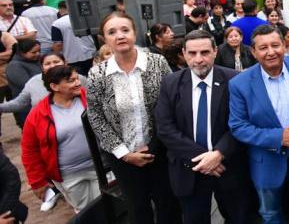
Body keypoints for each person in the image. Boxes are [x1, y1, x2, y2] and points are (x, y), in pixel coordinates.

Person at [85, 12, 181, 224]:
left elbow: (170, 105)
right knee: (138, 210)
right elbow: (96, 117)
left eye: (125, 30)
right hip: (123, 156)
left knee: (169, 206)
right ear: (105, 38)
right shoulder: (97, 74)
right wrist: (124, 153)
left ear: (135, 33)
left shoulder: (157, 62)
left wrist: (154, 146)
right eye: (112, 32)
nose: (120, 36)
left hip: (160, 151)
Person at [154, 30, 252, 224]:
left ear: (215, 51)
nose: (198, 59)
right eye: (192, 53)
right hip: (188, 168)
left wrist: (219, 154)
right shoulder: (171, 83)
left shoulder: (234, 80)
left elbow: (241, 123)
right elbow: (165, 128)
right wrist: (205, 159)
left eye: (205, 52)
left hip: (227, 167)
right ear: (183, 53)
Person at [227, 24, 289, 224]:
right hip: (266, 161)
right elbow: (238, 126)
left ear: (285, 45)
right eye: (263, 47)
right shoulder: (239, 83)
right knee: (270, 213)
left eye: (275, 45)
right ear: (253, 51)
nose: (271, 52)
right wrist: (279, 137)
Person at [21, 65, 100, 213]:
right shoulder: (38, 113)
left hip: (101, 167)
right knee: (86, 211)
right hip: (68, 176)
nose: (78, 83)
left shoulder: (91, 98)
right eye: (71, 81)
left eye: (77, 79)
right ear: (54, 86)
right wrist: (37, 181)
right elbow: (29, 149)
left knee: (109, 207)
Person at [5, 39, 41, 127]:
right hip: (26, 107)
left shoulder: (38, 60)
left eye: (39, 51)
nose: (38, 54)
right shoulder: (14, 66)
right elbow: (26, 84)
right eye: (33, 52)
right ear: (22, 53)